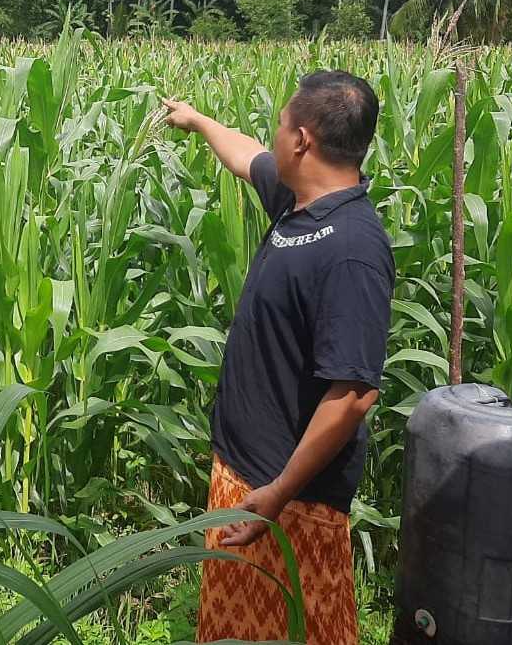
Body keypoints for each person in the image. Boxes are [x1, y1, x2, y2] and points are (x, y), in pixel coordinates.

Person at [162, 71, 394, 645]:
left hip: (290, 500)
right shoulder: (300, 202)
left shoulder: (352, 251)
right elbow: (246, 155)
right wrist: (195, 119)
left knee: (300, 629)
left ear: (302, 139)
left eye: (282, 123)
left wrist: (278, 492)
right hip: (246, 475)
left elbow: (353, 395)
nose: (274, 135)